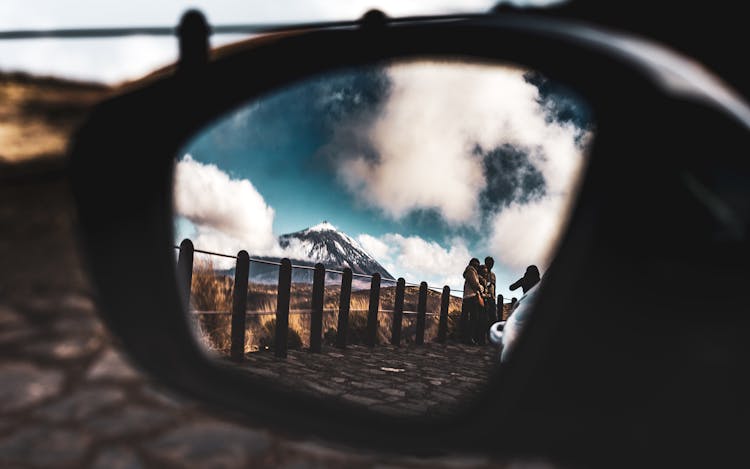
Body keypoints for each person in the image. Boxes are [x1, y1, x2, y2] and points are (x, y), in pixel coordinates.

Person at [461, 258, 483, 345]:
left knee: (467, 318)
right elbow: (475, 284)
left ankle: (466, 338)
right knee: (473, 319)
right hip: (472, 297)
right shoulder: (471, 270)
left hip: (467, 297)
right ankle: (469, 339)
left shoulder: (470, 271)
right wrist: (481, 287)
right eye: (476, 265)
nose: (477, 267)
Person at [483, 256, 498, 325]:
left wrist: (494, 296)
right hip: (484, 298)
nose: (490, 264)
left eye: (492, 263)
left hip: (492, 298)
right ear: (486, 263)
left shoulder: (493, 275)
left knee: (493, 316)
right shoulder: (482, 273)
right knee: (484, 317)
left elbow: (494, 286)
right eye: (489, 263)